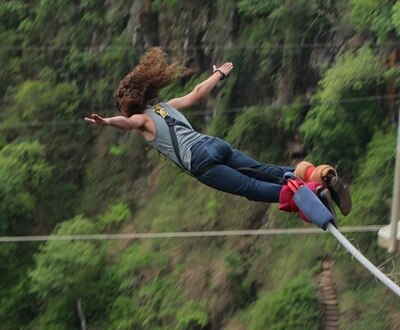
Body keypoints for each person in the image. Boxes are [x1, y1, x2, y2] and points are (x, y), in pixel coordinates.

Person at [85, 47, 351, 221]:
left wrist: (107, 121)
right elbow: (198, 93)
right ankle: (320, 176)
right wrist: (219, 75)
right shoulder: (166, 106)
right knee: (260, 169)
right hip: (214, 143)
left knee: (250, 188)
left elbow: (128, 123)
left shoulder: (141, 119)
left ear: (128, 107)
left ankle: (312, 196)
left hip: (201, 162)